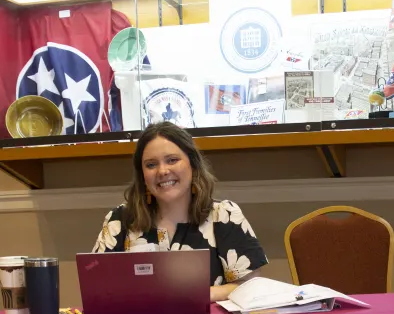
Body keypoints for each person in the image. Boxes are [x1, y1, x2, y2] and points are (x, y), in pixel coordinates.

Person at [92, 122, 267, 302]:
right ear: (142, 175)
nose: (163, 171)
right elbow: (96, 287)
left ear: (192, 164)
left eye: (172, 160)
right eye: (151, 165)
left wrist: (199, 294)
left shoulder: (224, 215)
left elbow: (250, 286)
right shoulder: (120, 220)